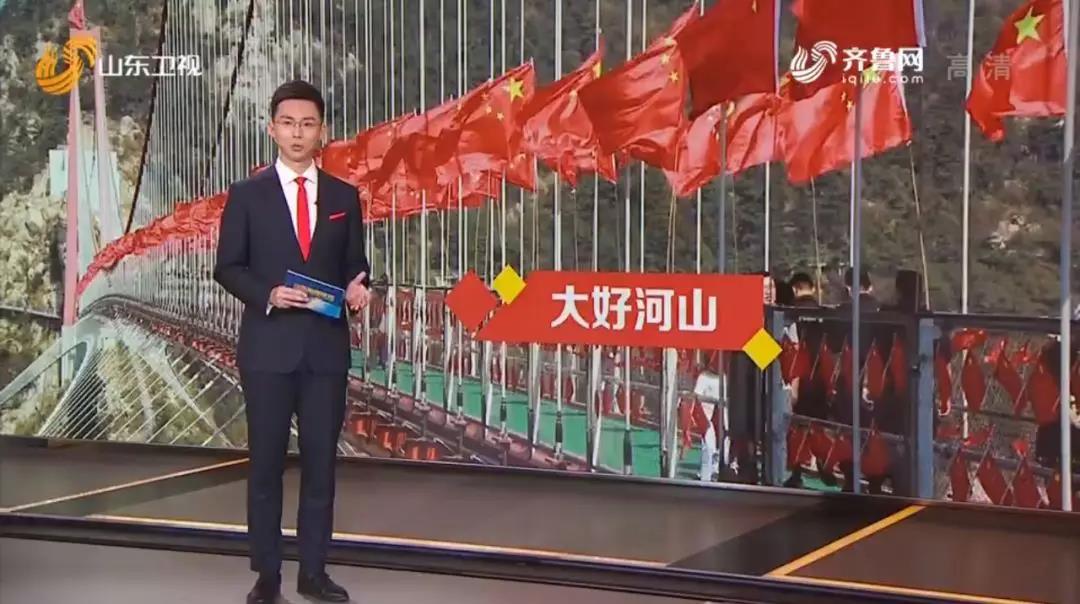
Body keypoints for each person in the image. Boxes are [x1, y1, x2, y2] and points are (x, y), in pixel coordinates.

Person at [214, 80, 372, 604]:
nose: (298, 133)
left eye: (307, 124)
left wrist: (360, 289)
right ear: (272, 129)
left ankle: (314, 572)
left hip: (325, 351)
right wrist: (269, 293)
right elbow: (227, 267)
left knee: (321, 467)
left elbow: (356, 266)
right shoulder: (246, 194)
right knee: (265, 466)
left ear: (322, 131)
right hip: (267, 350)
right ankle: (268, 575)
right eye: (288, 123)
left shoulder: (344, 197)